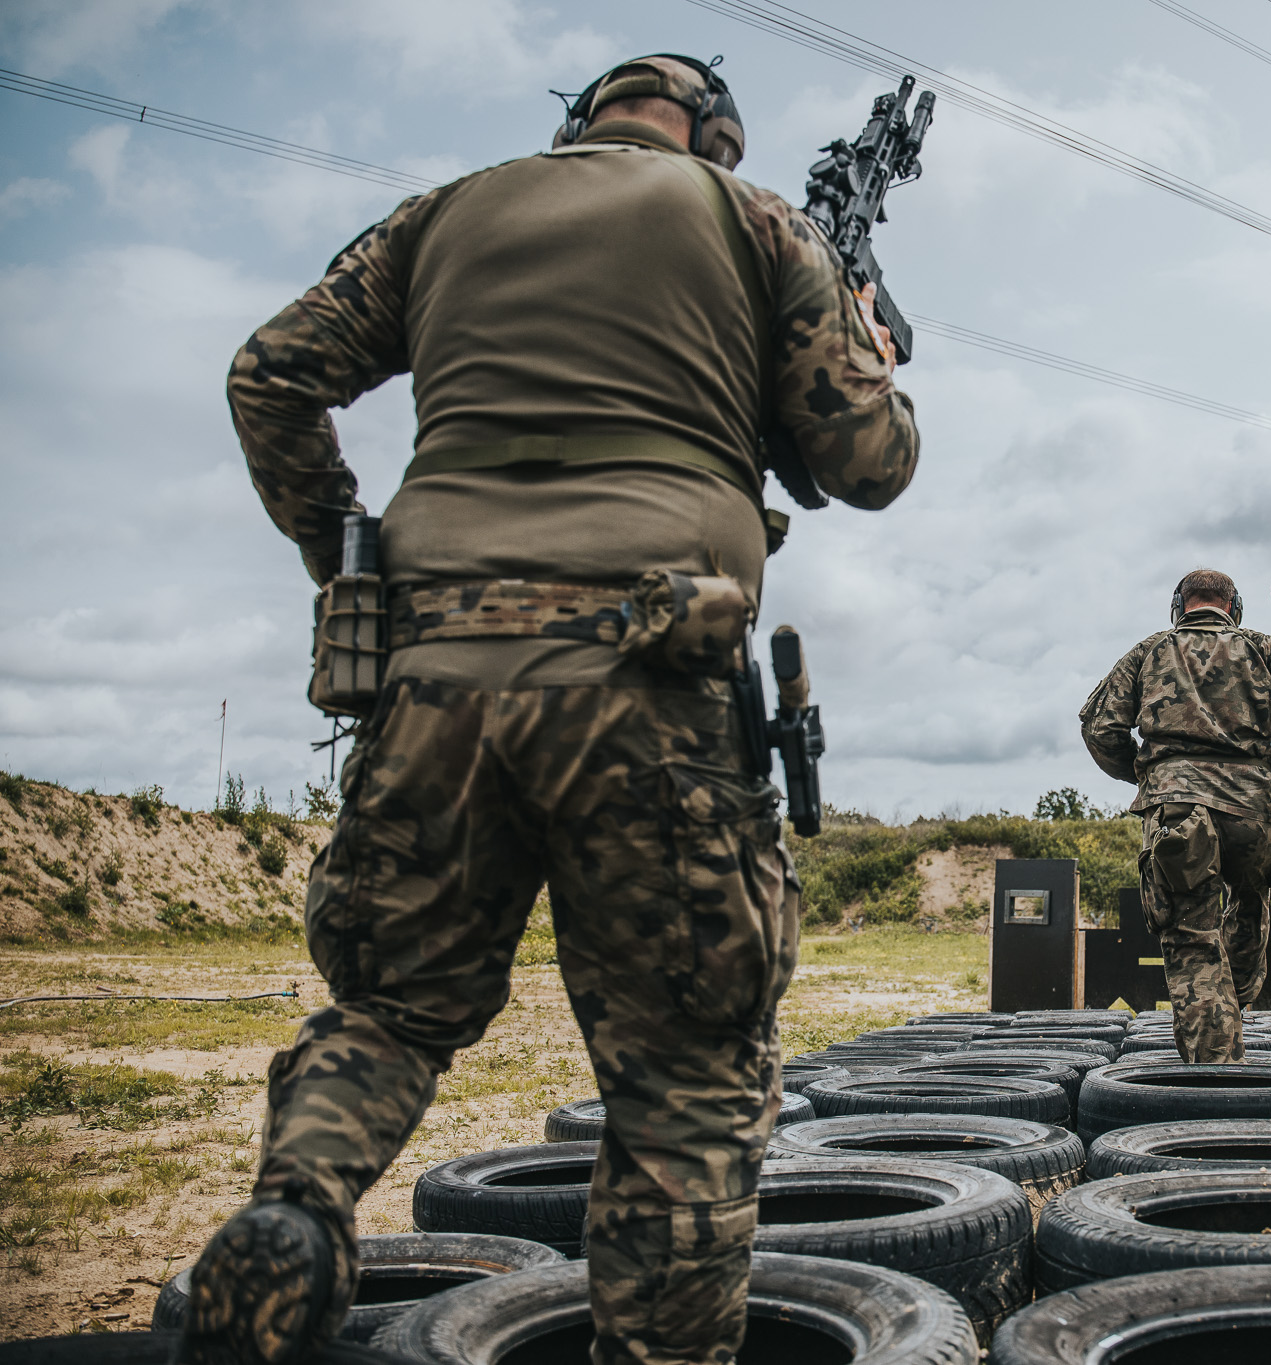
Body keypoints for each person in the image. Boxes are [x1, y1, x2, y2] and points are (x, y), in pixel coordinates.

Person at [186, 54, 919, 1365]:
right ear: (717, 137)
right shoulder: (756, 224)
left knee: (388, 1011)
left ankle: (299, 1205)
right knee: (685, 1082)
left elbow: (271, 374)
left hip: (432, 676)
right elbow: (864, 463)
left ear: (584, 124)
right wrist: (863, 332)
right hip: (646, 677)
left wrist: (346, 556)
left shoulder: (446, 213)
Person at [1080, 569, 1271, 1062]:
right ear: (1236, 608)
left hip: (1179, 812)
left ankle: (1216, 1076)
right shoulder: (1263, 648)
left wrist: (1145, 775)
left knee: (1191, 936)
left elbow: (1099, 726)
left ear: (1177, 607)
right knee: (1249, 903)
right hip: (1253, 809)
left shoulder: (1149, 651)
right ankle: (1235, 1004)